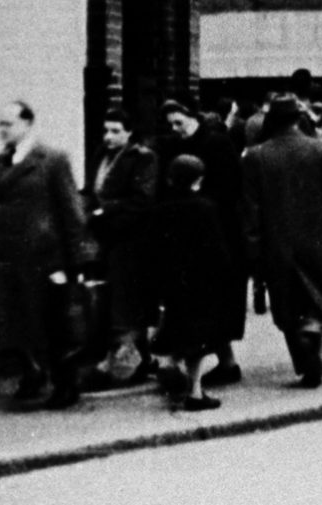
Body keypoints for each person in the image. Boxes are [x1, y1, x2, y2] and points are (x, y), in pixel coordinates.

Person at [241, 91, 322, 387]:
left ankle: (306, 365)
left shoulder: (255, 156)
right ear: (298, 119)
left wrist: (252, 249)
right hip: (317, 239)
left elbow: (250, 207)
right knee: (319, 297)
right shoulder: (319, 150)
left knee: (285, 305)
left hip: (275, 243)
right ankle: (315, 328)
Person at [0, 100, 87, 410]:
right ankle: (33, 375)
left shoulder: (51, 160)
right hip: (12, 260)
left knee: (56, 325)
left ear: (27, 124)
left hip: (47, 260)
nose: (2, 130)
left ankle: (67, 385)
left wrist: (75, 263)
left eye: (8, 124)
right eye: (0, 125)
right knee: (22, 323)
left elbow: (71, 212)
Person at [158, 99, 247, 385]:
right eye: (170, 125)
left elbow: (233, 188)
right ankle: (225, 363)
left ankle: (198, 368)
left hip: (218, 232)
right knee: (207, 305)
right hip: (190, 235)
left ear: (192, 117)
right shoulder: (173, 146)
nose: (175, 129)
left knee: (212, 303)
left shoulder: (217, 144)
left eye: (178, 123)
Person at [150, 153, 234, 411]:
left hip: (173, 284)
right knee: (197, 341)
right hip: (201, 283)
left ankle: (171, 367)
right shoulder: (205, 208)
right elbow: (217, 250)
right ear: (198, 181)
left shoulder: (160, 209)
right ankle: (195, 393)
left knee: (177, 332)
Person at [85, 107, 161, 382]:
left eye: (116, 131)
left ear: (129, 133)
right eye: (106, 130)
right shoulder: (101, 156)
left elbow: (142, 199)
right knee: (115, 300)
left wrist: (103, 211)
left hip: (131, 241)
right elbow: (93, 189)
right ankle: (142, 359)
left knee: (126, 301)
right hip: (106, 239)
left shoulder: (142, 158)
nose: (108, 136)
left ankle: (120, 363)